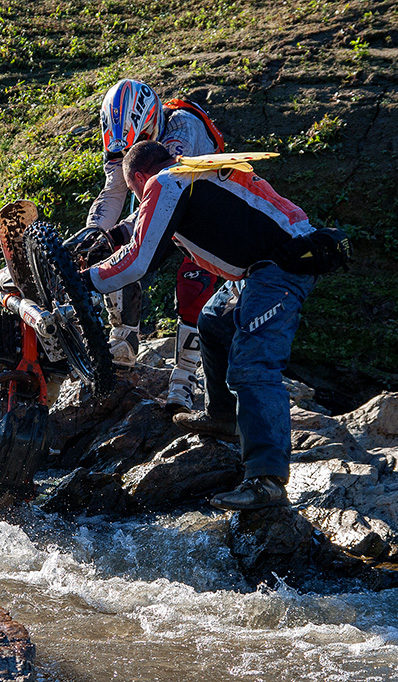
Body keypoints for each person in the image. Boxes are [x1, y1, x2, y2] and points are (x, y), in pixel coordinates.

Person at [82, 141, 318, 511]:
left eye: (133, 192)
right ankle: (223, 418)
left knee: (253, 364)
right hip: (264, 266)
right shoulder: (187, 172)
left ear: (139, 178)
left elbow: (137, 263)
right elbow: (143, 225)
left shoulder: (166, 182)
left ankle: (267, 480)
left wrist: (83, 280)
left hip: (283, 267)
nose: (138, 200)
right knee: (212, 320)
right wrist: (106, 241)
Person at [83, 78, 220, 413]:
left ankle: (185, 380)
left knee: (193, 285)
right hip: (161, 205)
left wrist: (121, 230)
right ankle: (123, 339)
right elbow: (113, 192)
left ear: (153, 122)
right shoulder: (123, 141)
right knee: (105, 248)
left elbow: (171, 190)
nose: (129, 153)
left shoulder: (182, 130)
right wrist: (93, 234)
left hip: (205, 208)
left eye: (141, 142)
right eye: (123, 150)